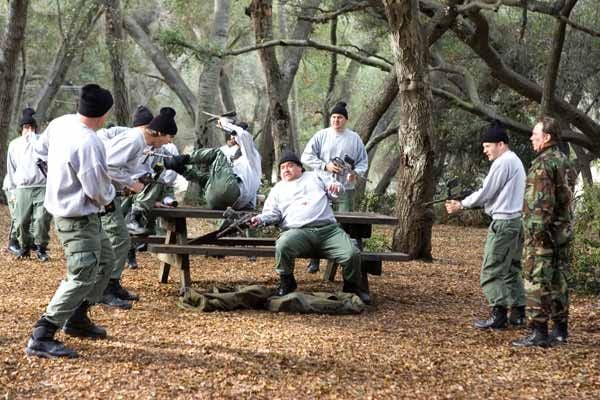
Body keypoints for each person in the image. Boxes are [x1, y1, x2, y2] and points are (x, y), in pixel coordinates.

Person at [25, 83, 117, 358]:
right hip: (75, 216)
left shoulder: (61, 123)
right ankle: (42, 334)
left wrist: (53, 172)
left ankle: (76, 317)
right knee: (82, 274)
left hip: (79, 214)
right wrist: (111, 195)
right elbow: (97, 190)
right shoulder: (89, 142)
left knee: (106, 260)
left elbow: (40, 148)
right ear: (103, 115)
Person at [249, 152, 371, 305]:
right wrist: (260, 219)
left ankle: (351, 288)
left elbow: (336, 191)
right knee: (283, 244)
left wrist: (336, 187)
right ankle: (287, 282)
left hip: (328, 230)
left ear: (300, 168)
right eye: (282, 167)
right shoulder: (277, 189)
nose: (286, 169)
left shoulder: (315, 176)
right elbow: (272, 214)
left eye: (290, 165)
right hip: (297, 232)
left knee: (352, 253)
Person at [445, 121, 526, 330]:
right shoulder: (514, 160)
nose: (485, 151)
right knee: (511, 269)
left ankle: (498, 315)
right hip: (515, 221)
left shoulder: (503, 162)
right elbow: (493, 194)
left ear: (500, 144)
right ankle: (518, 313)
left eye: (487, 146)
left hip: (503, 224)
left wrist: (462, 205)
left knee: (491, 270)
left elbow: (486, 192)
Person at [98, 106, 176, 307]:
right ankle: (105, 290)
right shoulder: (134, 139)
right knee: (118, 238)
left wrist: (140, 178)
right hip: (101, 195)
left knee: (120, 239)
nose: (169, 142)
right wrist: (133, 184)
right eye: (169, 137)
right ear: (158, 133)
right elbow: (108, 165)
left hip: (109, 194)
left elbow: (126, 167)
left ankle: (112, 284)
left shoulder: (141, 142)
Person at [512, 116, 576, 348]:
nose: (531, 137)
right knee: (559, 281)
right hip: (562, 234)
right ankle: (560, 332)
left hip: (544, 237)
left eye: (535, 134)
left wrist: (534, 236)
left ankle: (539, 333)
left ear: (547, 137)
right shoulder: (565, 162)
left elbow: (541, 205)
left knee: (536, 279)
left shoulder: (542, 165)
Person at [301, 101, 368, 273]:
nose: (336, 120)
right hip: (322, 186)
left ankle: (342, 259)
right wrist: (326, 166)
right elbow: (306, 156)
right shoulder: (321, 135)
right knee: (318, 220)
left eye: (339, 117)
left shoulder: (354, 138)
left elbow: (362, 162)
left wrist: (355, 173)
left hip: (345, 188)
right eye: (333, 117)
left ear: (346, 120)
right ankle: (314, 259)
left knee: (344, 222)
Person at [164, 117, 261, 211]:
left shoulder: (250, 152)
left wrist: (225, 124)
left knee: (218, 153)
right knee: (206, 180)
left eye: (233, 137)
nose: (231, 139)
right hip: (231, 202)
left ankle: (183, 159)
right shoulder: (248, 163)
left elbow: (242, 135)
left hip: (226, 196)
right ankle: (180, 169)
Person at [5, 108, 53, 261]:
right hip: (22, 188)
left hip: (42, 186)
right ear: (21, 129)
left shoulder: (42, 142)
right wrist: (12, 190)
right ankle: (24, 247)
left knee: (41, 220)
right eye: (26, 127)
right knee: (21, 221)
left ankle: (41, 248)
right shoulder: (14, 145)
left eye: (31, 127)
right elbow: (11, 168)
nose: (29, 130)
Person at [3, 173, 21, 255]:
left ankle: (29, 241)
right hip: (13, 187)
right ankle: (12, 242)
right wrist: (13, 191)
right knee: (17, 215)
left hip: (27, 186)